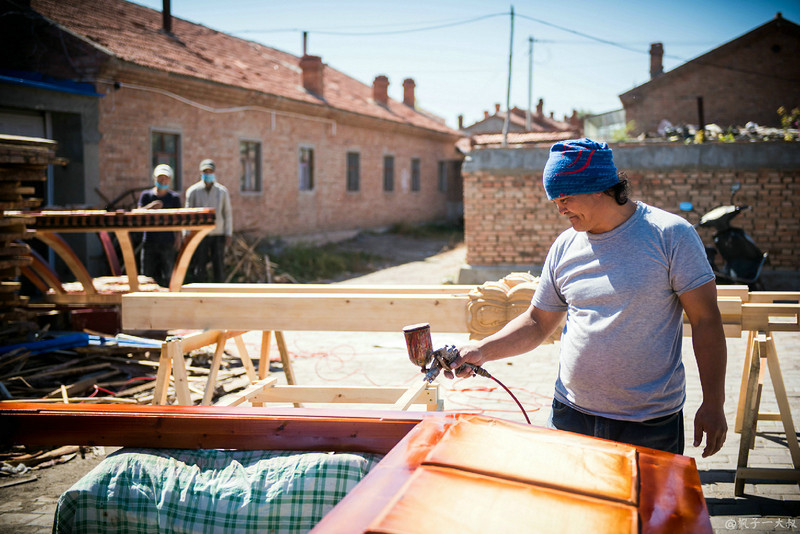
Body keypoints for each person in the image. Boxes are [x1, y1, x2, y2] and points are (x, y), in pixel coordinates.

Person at [448, 138, 728, 457]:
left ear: (600, 187)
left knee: (645, 508)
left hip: (647, 424)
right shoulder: (566, 246)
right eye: (555, 201)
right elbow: (538, 322)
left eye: (565, 198)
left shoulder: (670, 236)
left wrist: (713, 403)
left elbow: (706, 321)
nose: (560, 209)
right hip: (571, 416)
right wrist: (481, 350)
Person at [185, 159, 233, 283]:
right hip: (199, 234)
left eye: (210, 171)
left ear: (214, 172)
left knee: (219, 266)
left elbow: (227, 213)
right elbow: (187, 215)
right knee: (199, 266)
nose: (208, 173)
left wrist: (228, 233)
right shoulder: (193, 191)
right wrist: (186, 234)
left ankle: (220, 293)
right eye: (205, 171)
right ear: (201, 172)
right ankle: (199, 294)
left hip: (218, 233)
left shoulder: (222, 191)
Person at [137, 164, 182, 287]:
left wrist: (178, 237)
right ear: (155, 179)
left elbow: (179, 219)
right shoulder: (146, 196)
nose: (162, 181)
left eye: (165, 178)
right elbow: (137, 213)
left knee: (168, 276)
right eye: (160, 178)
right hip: (150, 241)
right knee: (147, 276)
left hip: (167, 242)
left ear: (170, 180)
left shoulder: (174, 198)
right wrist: (150, 207)